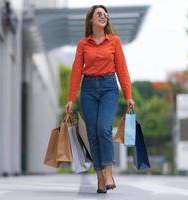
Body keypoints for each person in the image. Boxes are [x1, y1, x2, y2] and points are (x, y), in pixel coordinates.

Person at [64, 5, 135, 194]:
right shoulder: (83, 44)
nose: (103, 16)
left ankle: (109, 173)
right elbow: (76, 71)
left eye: (105, 14)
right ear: (91, 20)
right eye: (99, 14)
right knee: (93, 134)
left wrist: (129, 96)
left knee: (103, 128)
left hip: (109, 88)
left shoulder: (114, 41)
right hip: (88, 90)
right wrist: (71, 98)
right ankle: (100, 176)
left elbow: (122, 69)